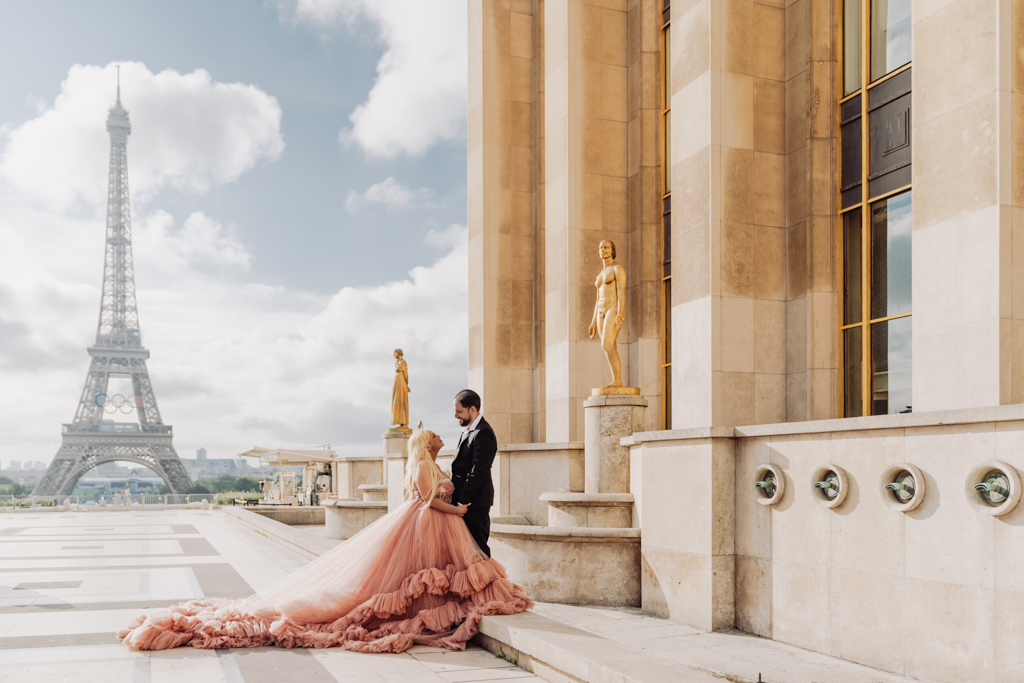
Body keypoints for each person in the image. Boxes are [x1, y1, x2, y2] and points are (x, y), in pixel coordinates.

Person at [117, 426, 531, 653]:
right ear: (425, 443)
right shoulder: (423, 464)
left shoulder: (428, 460)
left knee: (424, 580)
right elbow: (425, 500)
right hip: (431, 524)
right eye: (435, 435)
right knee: (417, 581)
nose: (441, 435)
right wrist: (456, 509)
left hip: (436, 527)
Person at [451, 389, 498, 557]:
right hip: (464, 502)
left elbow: (478, 470)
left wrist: (463, 501)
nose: (456, 416)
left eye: (459, 411)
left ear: (472, 409)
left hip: (474, 503)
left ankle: (486, 583)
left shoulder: (483, 432)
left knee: (478, 551)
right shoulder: (468, 430)